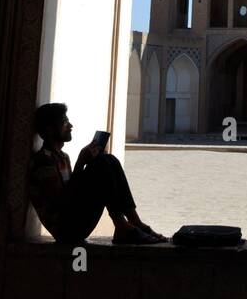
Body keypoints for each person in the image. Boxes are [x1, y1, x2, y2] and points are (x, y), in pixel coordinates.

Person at [29, 102, 167, 245]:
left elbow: (73, 190)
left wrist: (88, 164)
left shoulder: (62, 157)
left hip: (74, 219)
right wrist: (81, 163)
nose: (70, 126)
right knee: (102, 163)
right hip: (66, 230)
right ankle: (122, 226)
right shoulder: (43, 162)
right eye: (64, 122)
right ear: (50, 129)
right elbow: (62, 203)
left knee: (108, 160)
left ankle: (134, 222)